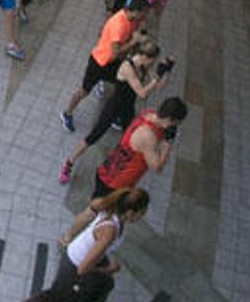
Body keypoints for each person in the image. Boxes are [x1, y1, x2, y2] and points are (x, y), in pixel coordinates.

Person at [61, 98, 185, 247]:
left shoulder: (148, 114)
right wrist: (167, 144)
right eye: (176, 123)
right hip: (114, 183)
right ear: (169, 120)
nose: (175, 127)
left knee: (108, 214)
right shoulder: (148, 135)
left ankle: (96, 237)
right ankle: (68, 238)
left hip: (111, 172)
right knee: (92, 211)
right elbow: (156, 167)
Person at [60, 40, 170, 184]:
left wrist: (166, 70)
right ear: (145, 57)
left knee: (128, 141)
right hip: (114, 106)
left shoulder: (143, 65)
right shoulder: (127, 67)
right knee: (94, 136)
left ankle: (117, 169)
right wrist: (155, 78)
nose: (152, 65)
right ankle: (69, 163)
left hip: (128, 109)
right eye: (152, 61)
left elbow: (159, 86)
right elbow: (142, 93)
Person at [27, 189, 150, 302]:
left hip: (76, 257)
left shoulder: (110, 209)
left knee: (57, 293)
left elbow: (91, 210)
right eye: (142, 213)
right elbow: (83, 269)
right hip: (74, 266)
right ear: (130, 212)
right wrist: (108, 270)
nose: (142, 216)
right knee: (59, 299)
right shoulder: (109, 232)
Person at [60, 0, 152, 132]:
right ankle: (67, 113)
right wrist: (133, 42)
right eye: (143, 14)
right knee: (84, 91)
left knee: (122, 86)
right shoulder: (119, 25)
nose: (145, 17)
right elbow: (115, 53)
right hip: (99, 62)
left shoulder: (129, 19)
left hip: (112, 63)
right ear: (136, 11)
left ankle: (116, 115)